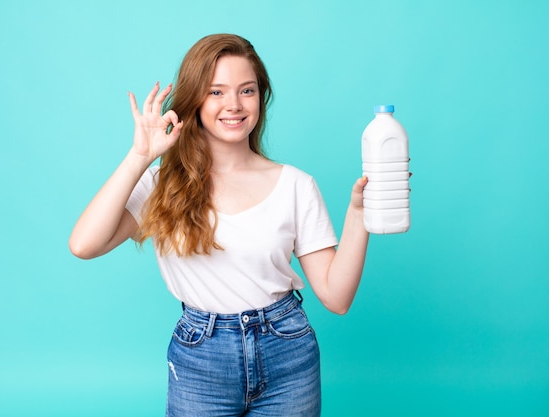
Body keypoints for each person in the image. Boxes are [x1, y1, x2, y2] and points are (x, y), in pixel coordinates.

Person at [69, 33, 369, 417]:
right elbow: (84, 245)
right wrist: (139, 156)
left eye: (247, 90)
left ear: (261, 97)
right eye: (216, 92)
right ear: (195, 100)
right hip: (201, 359)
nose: (234, 105)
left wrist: (359, 215)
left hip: (287, 351)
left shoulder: (296, 185)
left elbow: (336, 297)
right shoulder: (162, 185)